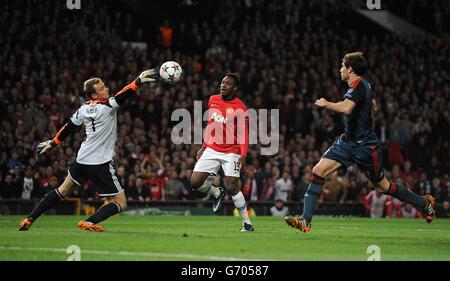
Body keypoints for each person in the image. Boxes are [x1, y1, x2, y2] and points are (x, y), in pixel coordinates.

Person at [285, 52, 435, 233]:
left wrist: (327, 103)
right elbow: (370, 103)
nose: (340, 69)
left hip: (365, 146)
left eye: (342, 66)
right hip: (348, 142)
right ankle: (305, 220)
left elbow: (347, 108)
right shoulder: (362, 86)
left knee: (383, 186)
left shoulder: (359, 85)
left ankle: (424, 202)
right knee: (318, 171)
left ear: (350, 69)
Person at [17, 69, 158, 232]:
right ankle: (89, 222)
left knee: (62, 190)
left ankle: (30, 218)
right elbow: (123, 95)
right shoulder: (107, 106)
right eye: (102, 88)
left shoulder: (83, 109)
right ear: (93, 95)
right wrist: (138, 81)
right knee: (120, 202)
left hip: (82, 159)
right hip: (100, 162)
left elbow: (68, 127)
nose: (106, 89)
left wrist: (53, 142)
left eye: (105, 86)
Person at [190, 73, 253, 232]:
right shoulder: (213, 100)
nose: (223, 85)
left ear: (235, 88)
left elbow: (244, 134)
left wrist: (243, 155)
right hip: (212, 147)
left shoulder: (240, 107)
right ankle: (216, 193)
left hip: (231, 151)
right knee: (195, 182)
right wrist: (204, 146)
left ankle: (247, 223)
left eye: (228, 84)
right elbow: (212, 125)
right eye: (222, 82)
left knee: (232, 185)